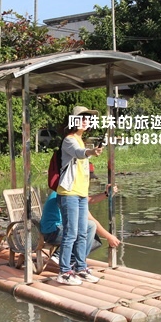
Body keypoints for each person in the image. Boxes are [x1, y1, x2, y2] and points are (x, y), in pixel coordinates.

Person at [55, 106, 104, 286]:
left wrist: (91, 151)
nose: (86, 121)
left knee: (82, 233)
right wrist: (91, 152)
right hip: (69, 194)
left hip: (82, 194)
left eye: (88, 119)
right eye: (82, 118)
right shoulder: (69, 140)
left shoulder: (81, 140)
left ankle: (80, 268)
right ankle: (64, 272)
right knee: (71, 233)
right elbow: (78, 153)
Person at [40, 184, 121, 266]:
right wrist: (109, 237)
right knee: (90, 226)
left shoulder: (65, 188)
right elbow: (89, 219)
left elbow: (88, 199)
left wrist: (106, 194)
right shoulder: (69, 194)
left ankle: (70, 258)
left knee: (93, 238)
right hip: (54, 232)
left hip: (52, 230)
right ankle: (69, 258)